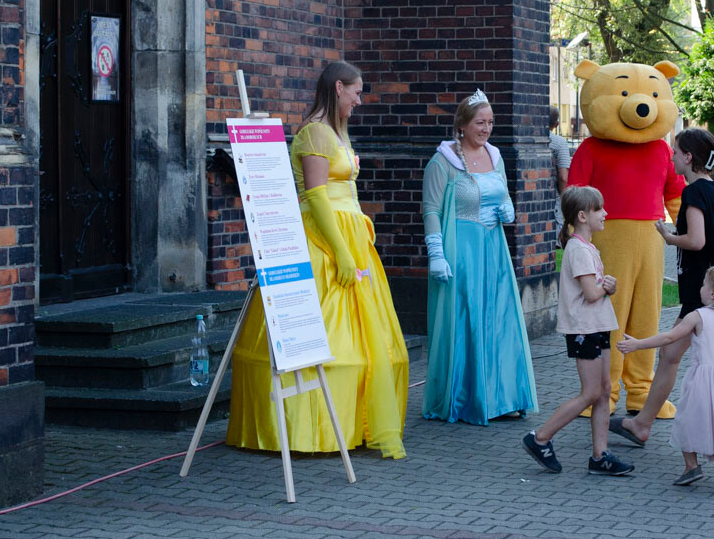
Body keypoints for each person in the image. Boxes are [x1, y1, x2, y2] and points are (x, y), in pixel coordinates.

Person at [227, 61, 408, 459]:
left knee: (366, 338)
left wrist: (359, 235)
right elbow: (316, 196)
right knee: (323, 333)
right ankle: (312, 427)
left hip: (351, 237)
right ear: (338, 87)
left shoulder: (336, 133)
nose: (359, 101)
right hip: (323, 241)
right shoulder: (314, 133)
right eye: (356, 92)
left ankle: (353, 422)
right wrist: (342, 252)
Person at [609, 128, 714, 449]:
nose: (672, 157)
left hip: (701, 296)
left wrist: (668, 237)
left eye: (676, 152)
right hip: (713, 292)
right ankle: (643, 423)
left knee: (681, 357)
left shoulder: (693, 193)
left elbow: (696, 240)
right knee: (672, 355)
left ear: (689, 157)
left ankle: (648, 424)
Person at [421, 89, 538, 425]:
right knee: (468, 320)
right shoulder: (443, 161)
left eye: (490, 122)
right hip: (462, 250)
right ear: (462, 125)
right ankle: (471, 397)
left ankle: (504, 396)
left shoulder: (495, 156)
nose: (486, 128)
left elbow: (502, 195)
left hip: (494, 250)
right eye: (480, 122)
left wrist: (506, 209)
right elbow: (430, 209)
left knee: (500, 320)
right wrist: (436, 255)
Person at [617, 265, 714, 493]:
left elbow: (670, 337)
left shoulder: (697, 316)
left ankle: (691, 466)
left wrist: (637, 344)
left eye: (704, 284)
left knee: (687, 420)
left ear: (712, 294)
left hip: (705, 380)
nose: (700, 288)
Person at [522, 186, 634, 476]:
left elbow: (594, 292)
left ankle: (600, 456)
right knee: (591, 392)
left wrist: (606, 286)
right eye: (600, 209)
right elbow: (591, 293)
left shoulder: (587, 248)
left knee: (604, 390)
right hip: (584, 328)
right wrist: (607, 286)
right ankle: (541, 437)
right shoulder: (578, 250)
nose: (605, 213)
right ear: (583, 216)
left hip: (598, 326)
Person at [548, 106, 572, 242]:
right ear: (556, 124)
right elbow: (563, 177)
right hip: (553, 197)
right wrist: (565, 201)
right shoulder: (559, 143)